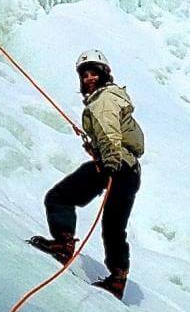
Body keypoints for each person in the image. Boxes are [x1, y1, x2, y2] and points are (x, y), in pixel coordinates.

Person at [28, 49, 144, 299]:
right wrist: (99, 149)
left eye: (93, 73)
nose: (88, 78)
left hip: (116, 165)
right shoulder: (114, 97)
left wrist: (109, 159)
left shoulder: (103, 101)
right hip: (129, 169)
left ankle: (63, 243)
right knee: (114, 226)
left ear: (104, 75)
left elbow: (109, 132)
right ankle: (118, 278)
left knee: (59, 197)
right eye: (85, 75)